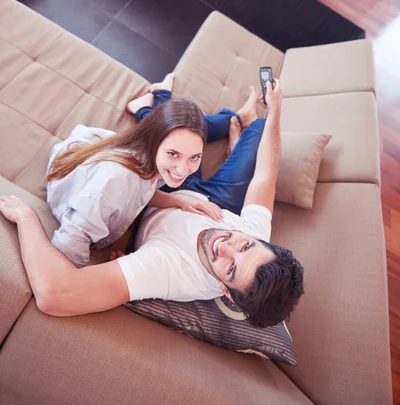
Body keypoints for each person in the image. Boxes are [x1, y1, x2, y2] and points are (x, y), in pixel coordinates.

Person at [0, 78, 304, 328]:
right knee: (259, 128)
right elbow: (266, 174)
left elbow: (56, 294)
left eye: (230, 268)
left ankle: (153, 105)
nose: (223, 244)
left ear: (226, 292)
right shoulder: (258, 242)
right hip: (211, 201)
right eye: (245, 245)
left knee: (176, 136)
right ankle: (235, 124)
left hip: (162, 195)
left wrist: (27, 218)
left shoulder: (170, 271)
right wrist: (276, 108)